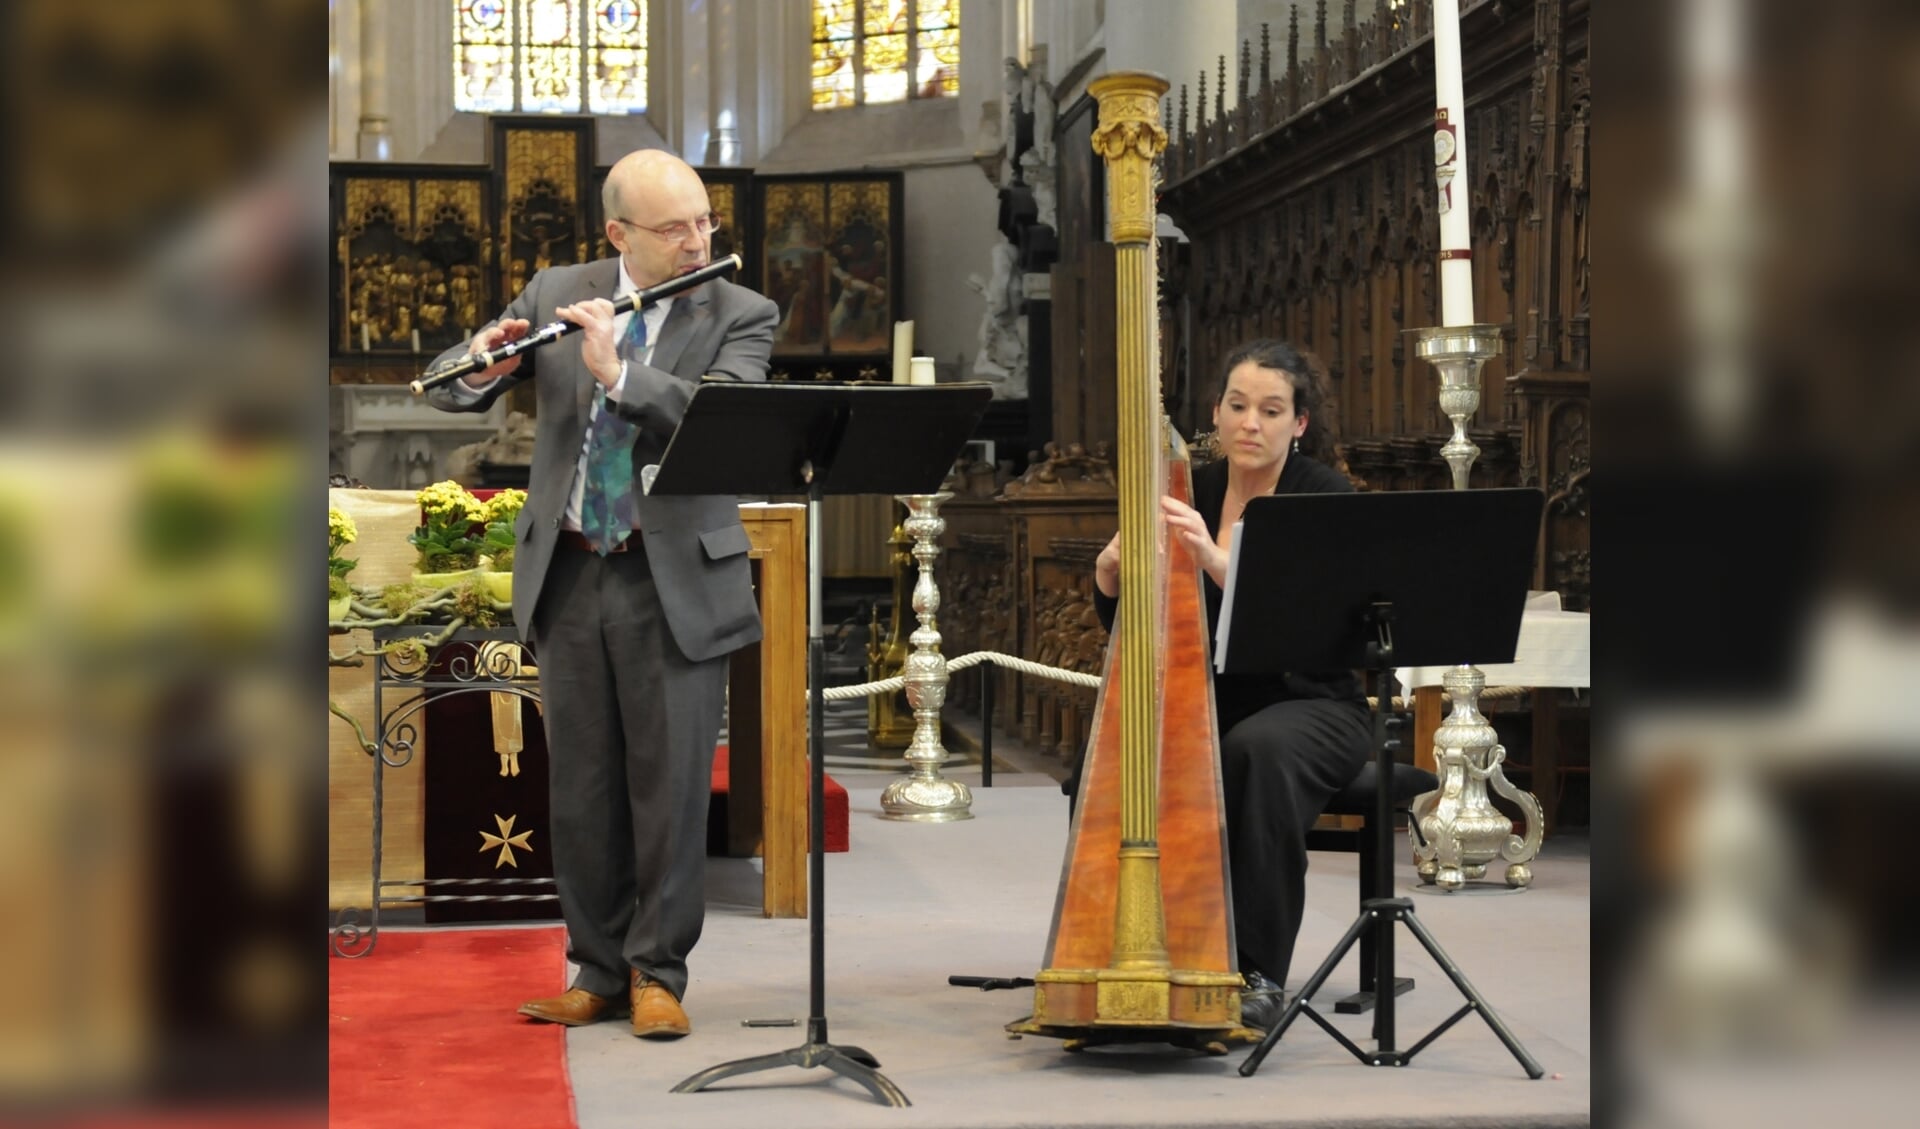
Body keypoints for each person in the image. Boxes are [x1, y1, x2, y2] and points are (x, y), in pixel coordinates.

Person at [427, 149, 779, 1040]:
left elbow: (725, 417)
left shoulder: (742, 309)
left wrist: (621, 374)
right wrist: (480, 361)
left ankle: (657, 971)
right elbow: (450, 389)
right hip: (572, 567)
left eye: (705, 222)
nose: (698, 241)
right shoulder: (555, 289)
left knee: (667, 787)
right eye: (674, 229)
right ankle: (595, 968)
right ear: (618, 233)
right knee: (582, 789)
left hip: (671, 577)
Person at [1082, 339, 1374, 1031]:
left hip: (1312, 701)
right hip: (1209, 694)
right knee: (1114, 753)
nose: (1251, 423)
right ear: (1216, 411)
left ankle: (1256, 968)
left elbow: (1313, 629)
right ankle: (1115, 949)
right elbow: (1143, 623)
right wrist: (1111, 575)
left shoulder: (1322, 496)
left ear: (1299, 422)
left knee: (1256, 750)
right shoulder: (1195, 488)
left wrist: (1216, 559)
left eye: (1271, 410)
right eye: (1238, 406)